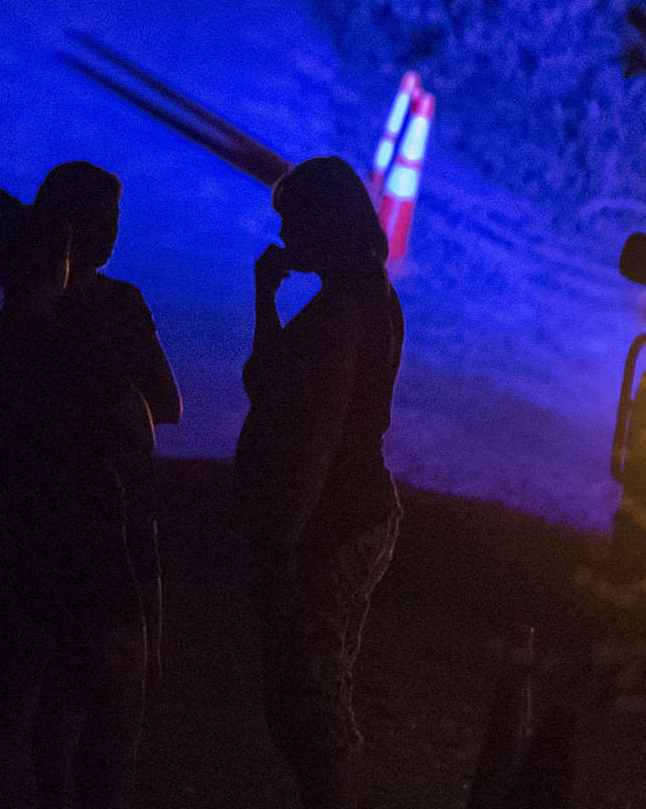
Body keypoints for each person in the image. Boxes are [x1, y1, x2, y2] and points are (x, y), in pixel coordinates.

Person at [0, 185, 149, 809]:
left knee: (2, 702)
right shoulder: (76, 344)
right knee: (113, 707)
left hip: (8, 535)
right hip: (84, 538)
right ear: (61, 264)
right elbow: (138, 426)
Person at [233, 156, 407, 809]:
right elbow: (266, 381)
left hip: (335, 518)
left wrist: (285, 536)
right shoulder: (359, 297)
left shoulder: (340, 311)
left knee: (311, 706)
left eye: (292, 220)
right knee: (310, 693)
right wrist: (266, 298)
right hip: (346, 512)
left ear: (323, 222)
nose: (283, 233)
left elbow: (321, 436)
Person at [30, 161, 180, 802]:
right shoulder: (117, 305)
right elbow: (165, 402)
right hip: (114, 520)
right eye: (102, 217)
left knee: (54, 708)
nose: (113, 231)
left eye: (115, 218)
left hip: (63, 524)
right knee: (115, 711)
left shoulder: (25, 316)